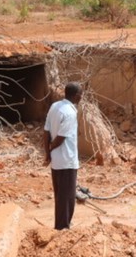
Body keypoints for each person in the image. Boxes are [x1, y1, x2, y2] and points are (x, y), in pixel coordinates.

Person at [44, 82, 83, 230]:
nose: (81, 98)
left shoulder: (55, 107)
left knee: (60, 195)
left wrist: (48, 153)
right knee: (67, 197)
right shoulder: (70, 112)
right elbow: (60, 138)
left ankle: (60, 224)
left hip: (56, 160)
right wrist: (50, 148)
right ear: (76, 96)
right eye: (81, 95)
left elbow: (46, 131)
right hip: (67, 160)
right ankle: (62, 227)